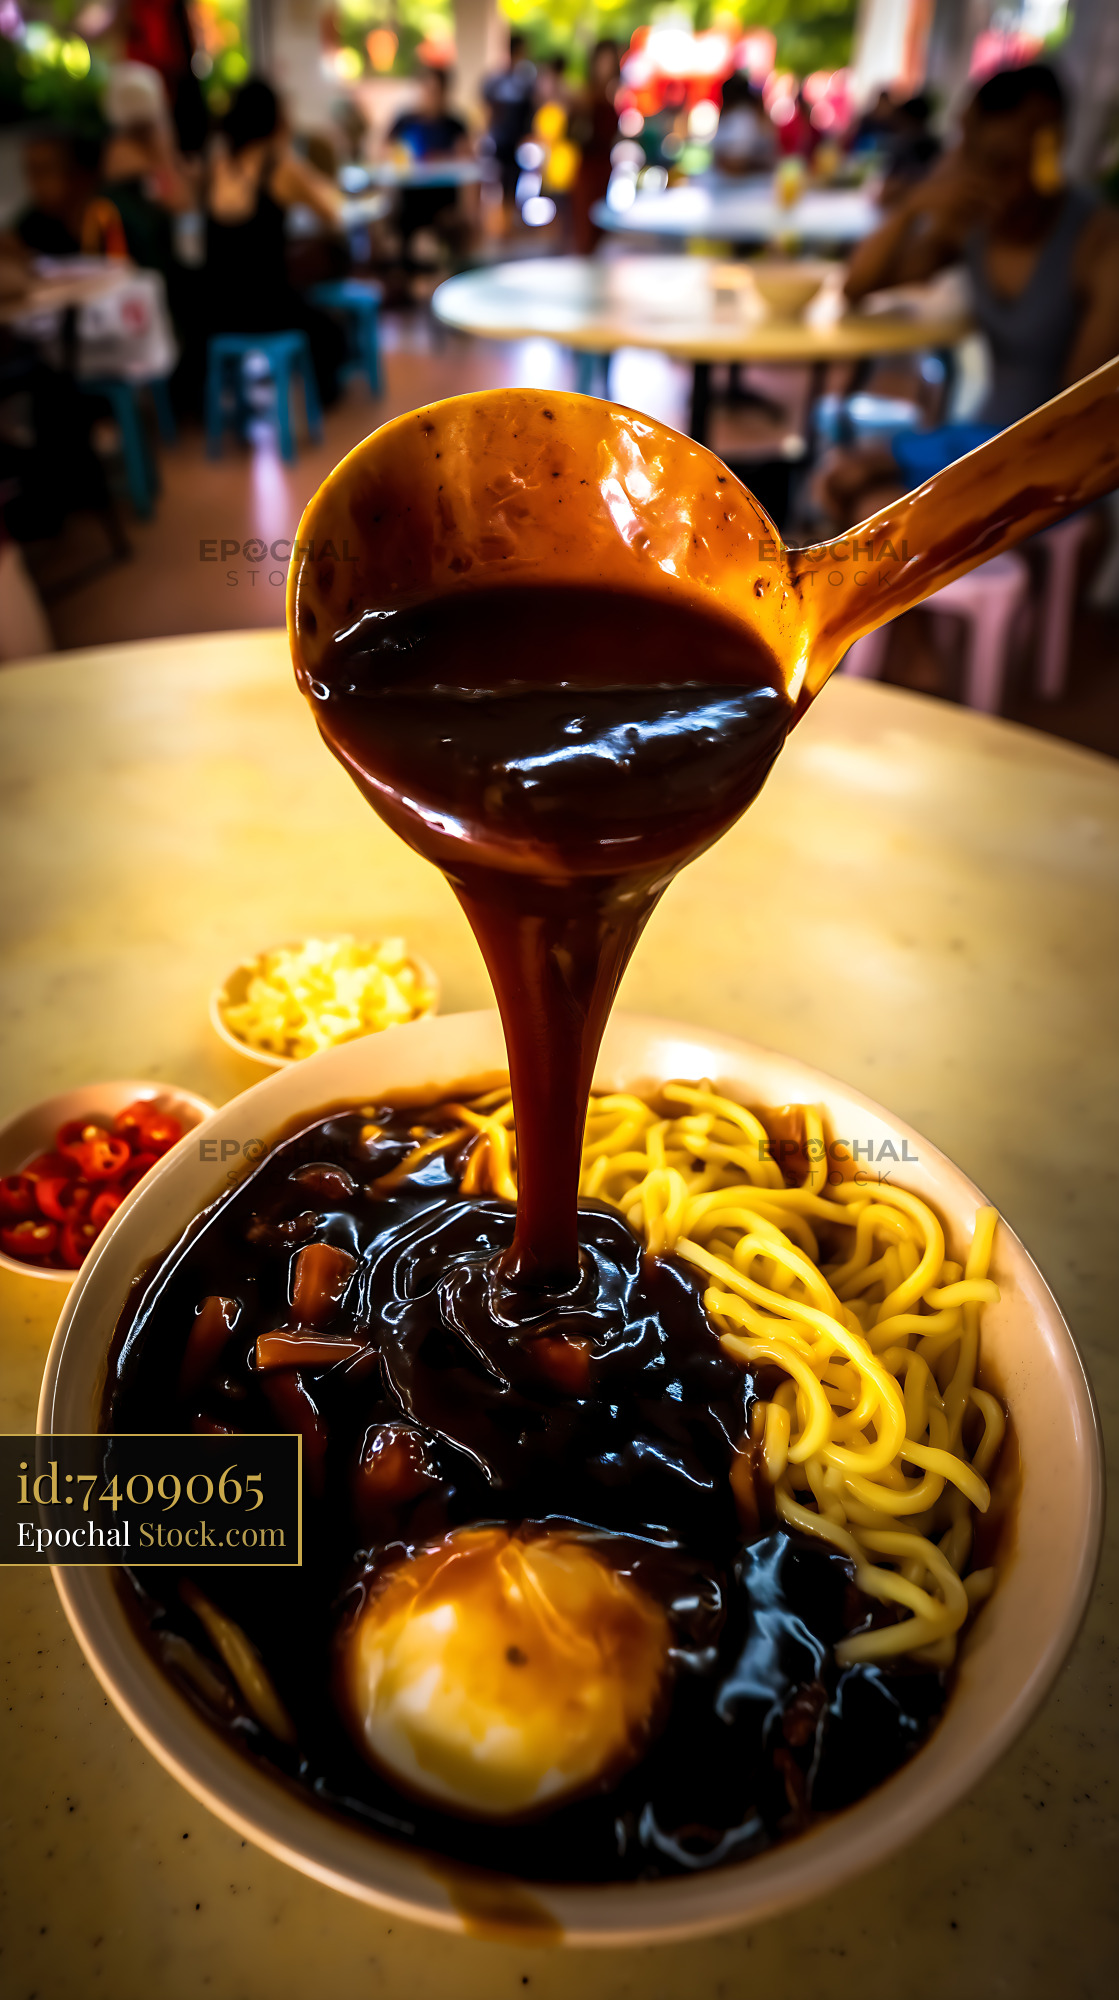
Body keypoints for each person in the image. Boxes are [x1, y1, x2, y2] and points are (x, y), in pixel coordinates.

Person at [818, 63, 1119, 526]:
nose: (990, 178)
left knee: (869, 509)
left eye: (1003, 162)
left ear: (1048, 150)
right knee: (843, 484)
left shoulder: (1098, 243)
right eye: (977, 157)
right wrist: (916, 203)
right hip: (985, 446)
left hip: (1054, 466)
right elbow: (858, 285)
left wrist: (934, 456)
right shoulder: (975, 226)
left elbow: (1071, 424)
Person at [202, 77, 346, 405]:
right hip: (266, 309)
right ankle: (323, 397)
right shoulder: (279, 165)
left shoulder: (217, 163)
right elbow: (333, 213)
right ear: (275, 119)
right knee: (330, 333)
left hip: (215, 308)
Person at [0, 132, 103, 260]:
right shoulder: (34, 223)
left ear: (80, 173)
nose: (35, 184)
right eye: (30, 172)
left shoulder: (110, 216)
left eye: (44, 171)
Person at [570, 39, 621, 254]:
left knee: (600, 228)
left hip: (604, 168)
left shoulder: (610, 97)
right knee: (586, 229)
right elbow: (577, 135)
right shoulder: (585, 99)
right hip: (589, 169)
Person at [482, 33, 537, 204]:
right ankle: (503, 215)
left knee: (516, 176)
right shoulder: (497, 80)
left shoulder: (526, 79)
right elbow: (487, 104)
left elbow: (531, 107)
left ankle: (510, 212)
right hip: (501, 136)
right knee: (500, 177)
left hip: (518, 136)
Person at [712, 73, 776, 178]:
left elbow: (737, 162)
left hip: (742, 187)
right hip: (739, 185)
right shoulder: (740, 116)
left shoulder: (741, 117)